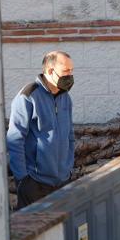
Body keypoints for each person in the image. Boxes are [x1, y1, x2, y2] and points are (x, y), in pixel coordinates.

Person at [7, 51, 76, 209]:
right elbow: (14, 140)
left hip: (63, 183)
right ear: (51, 71)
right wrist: (23, 180)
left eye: (71, 71)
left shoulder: (65, 97)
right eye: (66, 71)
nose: (70, 76)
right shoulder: (28, 96)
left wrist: (68, 168)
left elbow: (69, 136)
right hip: (35, 185)